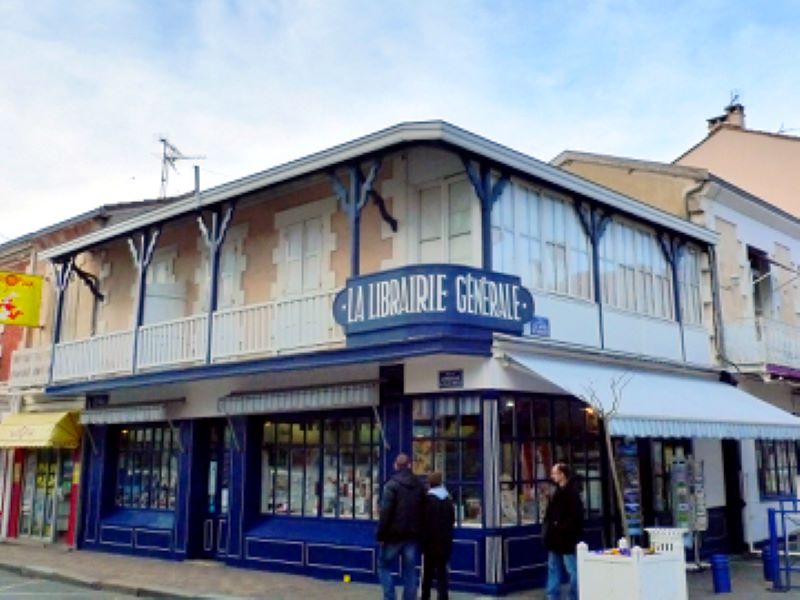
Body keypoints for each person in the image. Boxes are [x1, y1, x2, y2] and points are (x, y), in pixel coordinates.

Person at [377, 453, 426, 600]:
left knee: (383, 566)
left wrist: (380, 535)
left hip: (393, 535)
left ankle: (390, 597)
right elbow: (423, 510)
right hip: (412, 535)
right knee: (410, 571)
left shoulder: (391, 485)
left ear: (396, 466)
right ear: (409, 465)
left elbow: (385, 513)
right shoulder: (419, 485)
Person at [542, 463, 584, 600]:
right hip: (555, 537)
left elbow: (576, 517)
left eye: (554, 473)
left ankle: (573, 596)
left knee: (572, 569)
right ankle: (552, 595)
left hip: (565, 538)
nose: (552, 476)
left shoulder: (571, 493)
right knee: (554, 568)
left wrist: (560, 526)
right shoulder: (558, 492)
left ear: (562, 475)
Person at [420, 471, 455, 600]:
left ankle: (425, 596)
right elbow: (452, 520)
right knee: (442, 572)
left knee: (427, 573)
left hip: (430, 543)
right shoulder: (447, 499)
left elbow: (423, 521)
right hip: (445, 541)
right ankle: (443, 596)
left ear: (430, 484)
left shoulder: (428, 500)